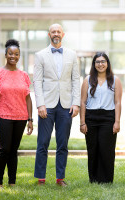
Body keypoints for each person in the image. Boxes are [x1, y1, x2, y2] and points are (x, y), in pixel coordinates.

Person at [33, 24, 80, 187]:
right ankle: (41, 178)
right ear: (49, 35)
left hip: (66, 105)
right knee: (43, 142)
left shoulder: (72, 55)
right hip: (47, 104)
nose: (56, 34)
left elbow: (75, 80)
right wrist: (40, 104)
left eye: (58, 31)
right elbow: (37, 81)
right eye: (53, 32)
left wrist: (76, 103)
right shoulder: (40, 55)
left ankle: (60, 178)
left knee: (62, 143)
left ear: (63, 34)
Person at [0, 39, 33, 188]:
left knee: (13, 150)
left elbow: (28, 98)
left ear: (19, 56)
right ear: (5, 54)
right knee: (4, 149)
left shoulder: (24, 75)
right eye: (10, 53)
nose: (13, 56)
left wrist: (30, 119)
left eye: (16, 54)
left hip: (21, 117)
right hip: (3, 115)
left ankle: (12, 182)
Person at [80, 52, 122, 184]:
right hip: (91, 117)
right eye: (97, 62)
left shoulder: (115, 80)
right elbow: (82, 102)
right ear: (94, 64)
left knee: (107, 149)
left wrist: (117, 122)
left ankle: (107, 180)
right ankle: (93, 179)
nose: (100, 64)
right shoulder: (88, 80)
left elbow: (118, 102)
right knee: (93, 149)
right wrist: (82, 122)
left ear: (107, 63)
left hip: (108, 117)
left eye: (103, 61)